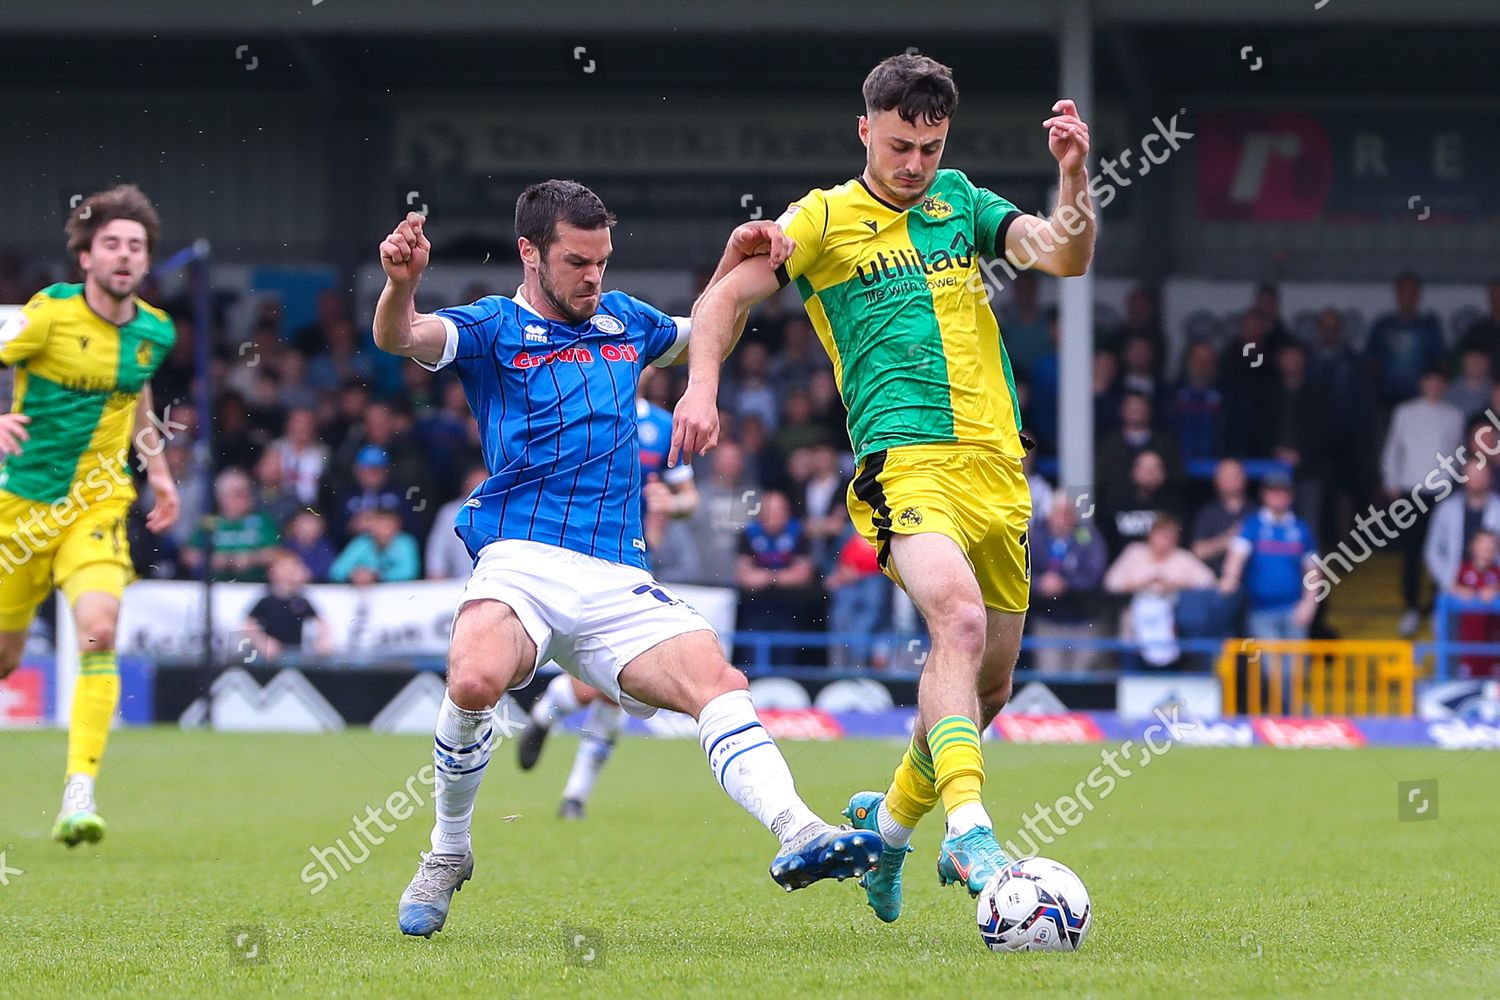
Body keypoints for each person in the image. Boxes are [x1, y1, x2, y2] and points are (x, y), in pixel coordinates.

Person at [373, 182, 880, 938]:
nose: (593, 278)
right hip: (521, 557)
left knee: (718, 679)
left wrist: (731, 262)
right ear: (530, 253)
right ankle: (448, 851)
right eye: (577, 262)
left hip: (616, 571)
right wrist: (400, 286)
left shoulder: (626, 320)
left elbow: (713, 328)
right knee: (475, 678)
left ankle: (800, 830)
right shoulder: (490, 326)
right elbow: (400, 337)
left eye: (602, 261)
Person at [675, 53, 1095, 922]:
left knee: (986, 689)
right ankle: (971, 830)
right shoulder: (824, 219)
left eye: (930, 147)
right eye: (900, 145)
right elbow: (723, 299)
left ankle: (888, 834)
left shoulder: (963, 202)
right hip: (903, 462)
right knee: (959, 621)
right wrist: (702, 386)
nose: (915, 164)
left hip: (998, 469)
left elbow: (1064, 257)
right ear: (864, 130)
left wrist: (1073, 174)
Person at [0, 185, 180, 847]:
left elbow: (137, 397)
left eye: (136, 245)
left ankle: (79, 791)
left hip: (97, 505)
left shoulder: (154, 330)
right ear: (86, 257)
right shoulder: (46, 315)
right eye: (112, 244)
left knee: (100, 631)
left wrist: (157, 471)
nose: (125, 255)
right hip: (18, 509)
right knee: (5, 657)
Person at [514, 366, 702, 821]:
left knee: (617, 683)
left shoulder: (662, 426)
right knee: (594, 683)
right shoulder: (574, 412)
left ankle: (574, 794)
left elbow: (688, 498)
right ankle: (551, 714)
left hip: (628, 561)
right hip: (569, 555)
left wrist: (670, 505)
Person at [1380, 367, 1465, 636]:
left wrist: (1457, 486)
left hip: (1444, 492)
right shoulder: (1405, 411)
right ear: (1422, 383)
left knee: (1444, 550)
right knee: (1412, 552)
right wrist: (1390, 480)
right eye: (1430, 380)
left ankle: (1437, 605)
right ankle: (1412, 608)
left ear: (1445, 385)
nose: (1434, 386)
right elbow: (1393, 447)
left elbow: (1459, 453)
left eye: (1440, 381)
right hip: (1411, 489)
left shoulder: (1455, 415)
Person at [1103, 513, 1216, 669]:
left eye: (1171, 536)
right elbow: (1111, 583)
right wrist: (1143, 583)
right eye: (1162, 534)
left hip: (1172, 632)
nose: (1166, 540)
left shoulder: (1183, 558)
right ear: (1151, 535)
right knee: (1132, 676)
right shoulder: (1134, 552)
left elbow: (1209, 582)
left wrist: (1176, 584)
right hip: (1134, 632)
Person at [1028, 494, 1108, 674]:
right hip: (1047, 621)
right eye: (1058, 512)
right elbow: (1019, 573)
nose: (1063, 518)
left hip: (1083, 620)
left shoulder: (1088, 537)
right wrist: (1039, 584)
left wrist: (1066, 584)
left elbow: (1095, 575)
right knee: (1050, 676)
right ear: (1049, 514)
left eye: (1068, 512)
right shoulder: (1036, 538)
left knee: (1082, 678)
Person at [1423, 458, 1500, 600]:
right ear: (1463, 476)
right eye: (1472, 473)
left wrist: (1495, 587)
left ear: (1489, 477)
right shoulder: (1446, 509)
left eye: (1481, 474)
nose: (1477, 479)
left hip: (1492, 593)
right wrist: (1450, 584)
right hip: (1453, 589)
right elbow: (1432, 550)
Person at [241, 549, 332, 662]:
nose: (289, 572)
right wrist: (263, 642)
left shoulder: (301, 600)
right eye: (284, 567)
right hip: (269, 658)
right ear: (272, 572)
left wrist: (323, 640)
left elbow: (322, 622)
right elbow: (248, 625)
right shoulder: (266, 600)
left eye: (293, 568)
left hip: (296, 655)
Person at [1451, 530, 1500, 679]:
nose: (1487, 551)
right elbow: (1451, 588)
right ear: (1473, 547)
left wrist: (1495, 590)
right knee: (1467, 685)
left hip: (1493, 646)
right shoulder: (1463, 570)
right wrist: (1460, 590)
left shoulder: (1497, 572)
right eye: (1483, 546)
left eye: (1491, 547)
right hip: (1468, 646)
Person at [426, 466, 489, 581]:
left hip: (496, 583)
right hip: (457, 585)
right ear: (465, 486)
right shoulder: (449, 513)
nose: (479, 489)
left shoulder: (504, 513)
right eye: (475, 485)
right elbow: (437, 554)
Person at [329, 507, 420, 585]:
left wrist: (376, 576)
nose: (383, 529)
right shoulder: (361, 542)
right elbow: (336, 571)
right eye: (378, 524)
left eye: (387, 525)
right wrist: (354, 574)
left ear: (397, 526)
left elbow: (410, 571)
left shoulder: (405, 542)